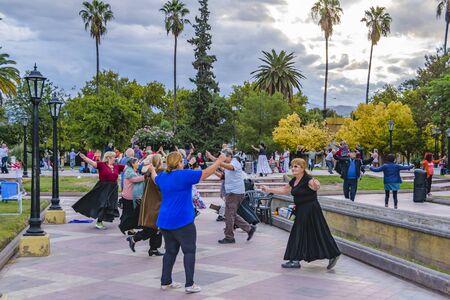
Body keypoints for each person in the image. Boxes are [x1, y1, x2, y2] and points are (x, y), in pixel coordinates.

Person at [146, 151, 226, 294]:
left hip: (165, 221)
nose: (183, 163)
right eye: (182, 161)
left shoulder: (164, 176)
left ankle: (165, 282)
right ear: (178, 163)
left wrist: (152, 169)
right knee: (189, 251)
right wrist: (219, 161)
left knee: (170, 251)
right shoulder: (184, 175)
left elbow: (155, 178)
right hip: (182, 221)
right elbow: (205, 173)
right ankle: (190, 284)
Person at [261, 158, 340, 269]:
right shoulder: (294, 180)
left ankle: (295, 259)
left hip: (310, 210)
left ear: (302, 168)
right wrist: (268, 189)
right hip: (302, 209)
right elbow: (284, 190)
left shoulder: (308, 179)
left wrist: (317, 184)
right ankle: (333, 253)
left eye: (296, 166)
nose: (293, 168)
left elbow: (316, 186)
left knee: (301, 232)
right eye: (292, 166)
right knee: (315, 232)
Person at [206, 149, 257, 244]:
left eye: (224, 158)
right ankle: (249, 229)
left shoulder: (235, 162)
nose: (223, 160)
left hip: (235, 193)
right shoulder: (228, 164)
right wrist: (212, 159)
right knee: (230, 214)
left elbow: (229, 167)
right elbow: (223, 176)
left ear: (229, 156)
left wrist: (217, 161)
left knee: (229, 215)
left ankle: (229, 237)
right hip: (232, 192)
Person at [72, 151, 125, 230]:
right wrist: (84, 158)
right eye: (114, 157)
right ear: (108, 158)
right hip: (103, 187)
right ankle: (99, 222)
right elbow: (92, 162)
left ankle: (102, 220)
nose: (115, 158)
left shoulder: (117, 166)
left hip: (113, 188)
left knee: (110, 205)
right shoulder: (101, 165)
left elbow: (128, 167)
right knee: (103, 204)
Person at [127, 154, 165, 256]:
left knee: (156, 227)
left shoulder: (149, 171)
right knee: (154, 227)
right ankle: (135, 238)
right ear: (160, 161)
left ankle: (153, 248)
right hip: (156, 201)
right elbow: (161, 186)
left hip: (149, 201)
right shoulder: (160, 173)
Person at [119, 157, 145, 235]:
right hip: (129, 196)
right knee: (131, 214)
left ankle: (130, 230)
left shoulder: (131, 170)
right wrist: (146, 176)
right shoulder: (130, 172)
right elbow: (135, 179)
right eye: (137, 162)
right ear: (133, 164)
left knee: (128, 213)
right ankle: (123, 226)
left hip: (127, 195)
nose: (138, 164)